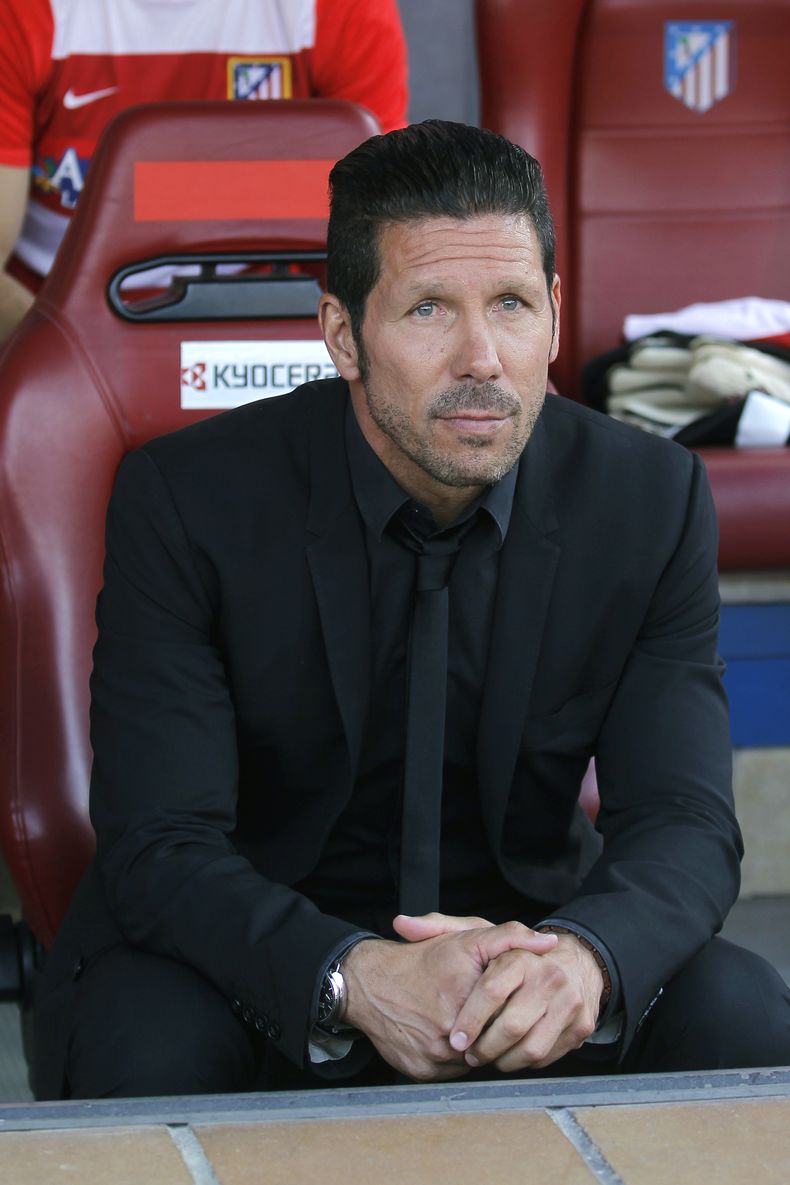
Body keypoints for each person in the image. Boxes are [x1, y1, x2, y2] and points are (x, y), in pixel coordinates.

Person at [33, 120, 790, 1099]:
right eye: (430, 309)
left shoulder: (649, 501)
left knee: (741, 1016)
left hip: (517, 954)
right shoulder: (186, 500)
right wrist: (351, 975)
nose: (482, 356)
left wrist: (579, 960)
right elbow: (159, 845)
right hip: (254, 965)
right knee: (146, 1043)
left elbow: (684, 821)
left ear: (556, 318)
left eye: (512, 304)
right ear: (342, 333)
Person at [0, 0, 407, 344]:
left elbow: (383, 239)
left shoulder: (336, 8)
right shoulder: (24, 11)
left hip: (272, 315)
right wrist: (86, 363)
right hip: (51, 317)